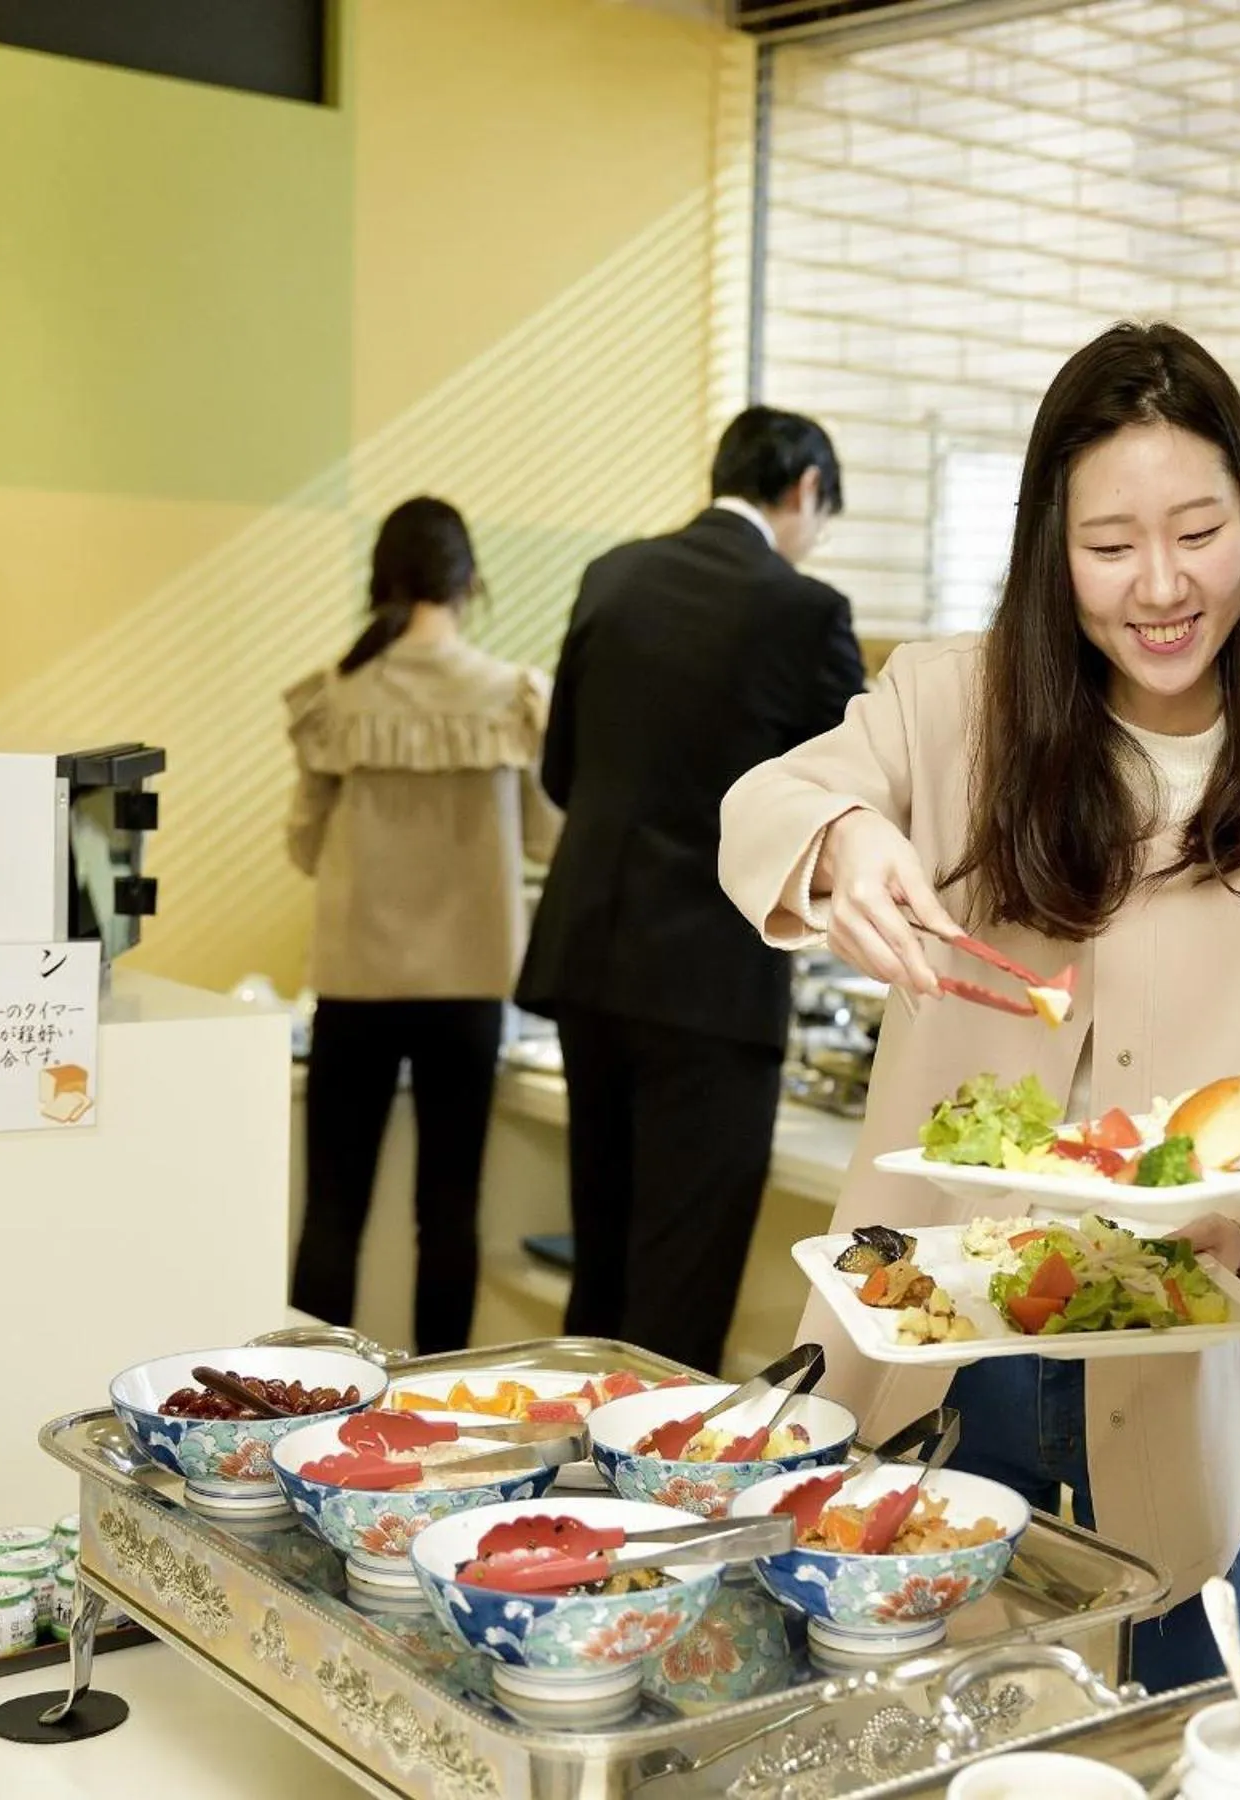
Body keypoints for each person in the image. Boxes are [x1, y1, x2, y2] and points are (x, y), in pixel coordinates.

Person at [718, 322, 1240, 1692]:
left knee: (1162, 1747)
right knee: (890, 1734)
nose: (1160, 585)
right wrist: (842, 839)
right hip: (918, 1372)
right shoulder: (957, 705)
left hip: (1176, 1410)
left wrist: (1239, 1227)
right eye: (1109, 543)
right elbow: (759, 806)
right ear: (1049, 547)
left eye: (1198, 531)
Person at [516, 407, 865, 1375]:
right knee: (682, 1276)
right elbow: (856, 799)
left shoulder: (612, 576)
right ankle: (647, 1504)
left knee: (606, 1256)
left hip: (588, 955)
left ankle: (574, 1490)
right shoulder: (803, 610)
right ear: (803, 490)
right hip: (711, 981)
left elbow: (562, 771)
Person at [286, 496, 559, 1354]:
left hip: (355, 981)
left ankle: (301, 1396)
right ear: (471, 579)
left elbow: (302, 845)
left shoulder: (338, 693)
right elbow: (548, 839)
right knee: (449, 1210)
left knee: (334, 1207)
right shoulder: (512, 696)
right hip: (468, 989)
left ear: (383, 581)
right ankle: (440, 1391)